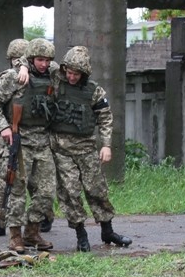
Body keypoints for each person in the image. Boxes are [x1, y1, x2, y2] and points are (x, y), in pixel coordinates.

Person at [48, 46, 132, 251]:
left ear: (84, 74)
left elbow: (105, 118)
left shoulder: (94, 91)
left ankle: (107, 231)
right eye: (69, 72)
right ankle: (81, 235)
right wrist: (24, 67)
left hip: (86, 147)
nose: (71, 77)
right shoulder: (56, 81)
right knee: (70, 192)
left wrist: (106, 146)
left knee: (97, 190)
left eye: (76, 74)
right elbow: (34, 59)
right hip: (61, 149)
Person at [0, 38, 58, 252]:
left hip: (42, 140)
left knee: (46, 191)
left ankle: (32, 232)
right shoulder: (13, 77)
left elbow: (65, 70)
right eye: (40, 60)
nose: (44, 64)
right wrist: (3, 128)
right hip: (19, 139)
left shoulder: (52, 74)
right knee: (16, 190)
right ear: (31, 58)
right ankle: (15, 235)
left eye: (47, 60)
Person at [0, 38, 29, 237]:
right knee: (2, 182)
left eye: (21, 60)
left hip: (26, 136)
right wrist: (3, 128)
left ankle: (32, 221)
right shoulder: (8, 77)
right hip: (5, 136)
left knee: (23, 182)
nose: (17, 63)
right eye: (16, 60)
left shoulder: (31, 76)